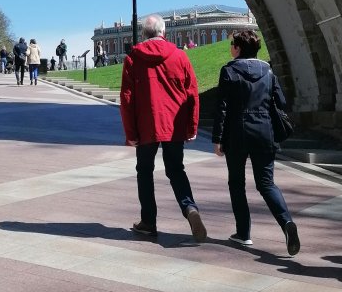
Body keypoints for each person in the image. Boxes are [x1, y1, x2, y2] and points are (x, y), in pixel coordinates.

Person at [119, 14, 207, 243]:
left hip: (146, 125)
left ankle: (148, 221)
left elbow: (127, 99)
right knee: (176, 170)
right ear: (164, 33)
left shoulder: (133, 58)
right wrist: (191, 127)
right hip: (174, 125)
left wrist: (131, 134)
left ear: (144, 34)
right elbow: (192, 95)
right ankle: (190, 209)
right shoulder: (180, 56)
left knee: (145, 171)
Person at [212, 29, 299, 255]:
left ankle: (243, 233)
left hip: (237, 133)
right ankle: (286, 223)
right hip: (264, 131)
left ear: (238, 48)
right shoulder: (268, 71)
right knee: (267, 183)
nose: (230, 47)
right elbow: (280, 101)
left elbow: (222, 108)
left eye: (232, 43)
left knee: (237, 183)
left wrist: (218, 139)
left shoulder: (229, 71)